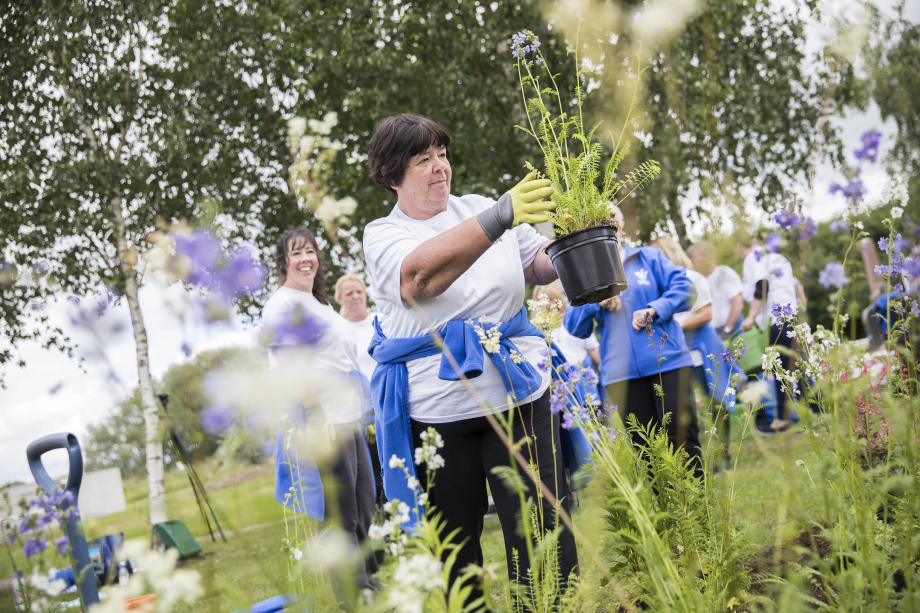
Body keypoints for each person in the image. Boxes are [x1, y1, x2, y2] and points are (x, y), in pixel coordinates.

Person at [362, 114, 588, 600]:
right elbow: (420, 279)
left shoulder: (480, 206)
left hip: (519, 395)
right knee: (457, 555)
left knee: (543, 537)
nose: (439, 167)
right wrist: (499, 217)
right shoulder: (384, 234)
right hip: (438, 418)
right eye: (423, 160)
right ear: (392, 175)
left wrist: (580, 237)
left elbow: (538, 264)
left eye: (442, 154)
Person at [262, 227, 379, 610]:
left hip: (346, 412)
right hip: (321, 412)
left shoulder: (318, 303)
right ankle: (353, 597)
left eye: (310, 251)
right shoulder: (282, 304)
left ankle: (367, 583)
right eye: (296, 253)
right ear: (284, 262)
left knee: (362, 504)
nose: (305, 259)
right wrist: (316, 412)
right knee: (340, 511)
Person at [564, 213, 703, 475]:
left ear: (619, 227)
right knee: (646, 449)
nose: (605, 230)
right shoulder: (585, 272)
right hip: (621, 375)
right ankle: (667, 513)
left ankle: (698, 513)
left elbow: (686, 288)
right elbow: (574, 327)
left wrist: (654, 309)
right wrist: (597, 300)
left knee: (683, 439)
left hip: (669, 363)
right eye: (593, 227)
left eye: (610, 224)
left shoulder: (648, 258)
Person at [650, 236, 747, 471]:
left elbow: (706, 314)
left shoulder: (692, 278)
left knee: (715, 403)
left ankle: (722, 455)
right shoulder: (657, 285)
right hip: (675, 357)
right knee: (686, 411)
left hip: (702, 352)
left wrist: (673, 328)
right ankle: (695, 459)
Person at [735, 232, 799, 433]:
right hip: (791, 312)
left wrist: (750, 317)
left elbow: (762, 284)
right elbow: (798, 286)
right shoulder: (777, 255)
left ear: (739, 244)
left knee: (782, 370)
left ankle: (783, 420)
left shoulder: (752, 256)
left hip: (775, 317)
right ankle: (815, 413)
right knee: (797, 366)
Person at [334, 273, 387, 508]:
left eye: (359, 291)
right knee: (372, 472)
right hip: (360, 414)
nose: (355, 297)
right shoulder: (338, 330)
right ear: (340, 299)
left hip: (386, 402)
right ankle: (380, 528)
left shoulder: (381, 321)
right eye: (349, 293)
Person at [687, 240, 744, 338]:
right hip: (712, 335)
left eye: (692, 257)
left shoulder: (724, 274)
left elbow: (737, 304)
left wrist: (727, 330)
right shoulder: (697, 281)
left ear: (703, 256)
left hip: (734, 333)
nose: (690, 261)